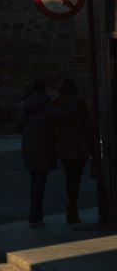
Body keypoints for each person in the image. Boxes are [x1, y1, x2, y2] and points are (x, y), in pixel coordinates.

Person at [15, 79, 77, 226]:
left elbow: (18, 125)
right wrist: (74, 101)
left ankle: (35, 215)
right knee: (39, 183)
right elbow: (64, 115)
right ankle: (35, 216)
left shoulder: (25, 104)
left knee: (34, 181)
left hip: (29, 147)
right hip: (43, 147)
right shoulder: (46, 104)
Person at [53, 78, 93, 224]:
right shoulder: (81, 104)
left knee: (70, 178)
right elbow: (88, 126)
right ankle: (72, 209)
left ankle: (71, 208)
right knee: (75, 180)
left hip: (63, 149)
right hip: (80, 148)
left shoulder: (55, 104)